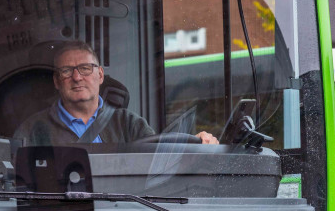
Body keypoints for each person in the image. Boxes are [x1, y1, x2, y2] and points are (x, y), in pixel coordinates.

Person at [15, 41, 217, 146]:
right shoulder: (31, 130)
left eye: (85, 68)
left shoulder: (129, 124)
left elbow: (159, 163)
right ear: (57, 81)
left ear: (100, 75)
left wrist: (196, 143)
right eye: (67, 71)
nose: (77, 77)